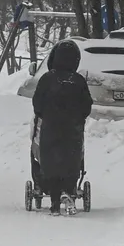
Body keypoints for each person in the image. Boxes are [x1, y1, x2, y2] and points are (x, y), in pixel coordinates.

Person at [32, 40, 92, 214]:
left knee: (50, 161)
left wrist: (44, 115)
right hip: (72, 130)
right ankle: (69, 190)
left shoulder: (47, 79)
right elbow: (86, 105)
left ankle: (55, 199)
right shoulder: (78, 81)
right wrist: (78, 118)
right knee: (70, 160)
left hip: (50, 127)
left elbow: (37, 103)